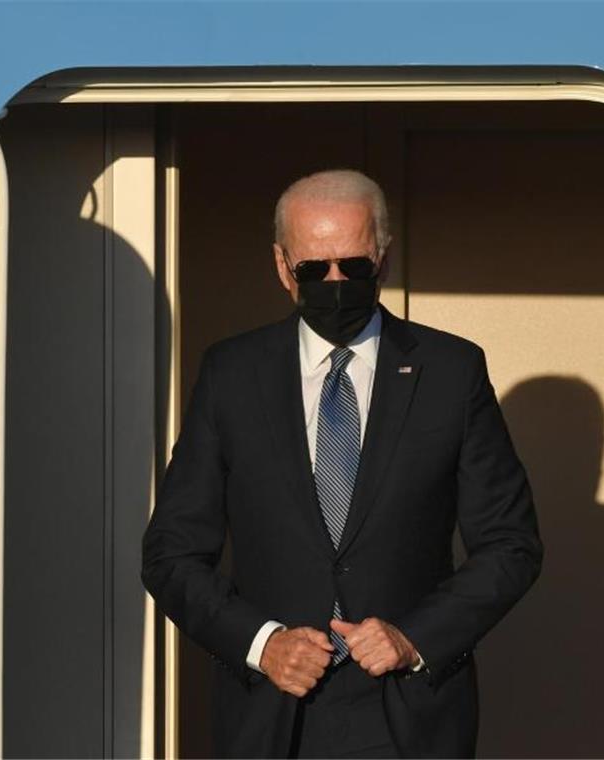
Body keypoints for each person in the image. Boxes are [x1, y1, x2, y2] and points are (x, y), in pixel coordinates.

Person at [141, 169, 543, 758]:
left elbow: (512, 545)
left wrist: (413, 639)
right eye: (313, 269)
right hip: (272, 715)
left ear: (382, 259)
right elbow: (170, 554)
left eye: (352, 266)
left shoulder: (451, 372)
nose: (334, 282)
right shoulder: (232, 375)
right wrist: (263, 644)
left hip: (408, 712)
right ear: (282, 267)